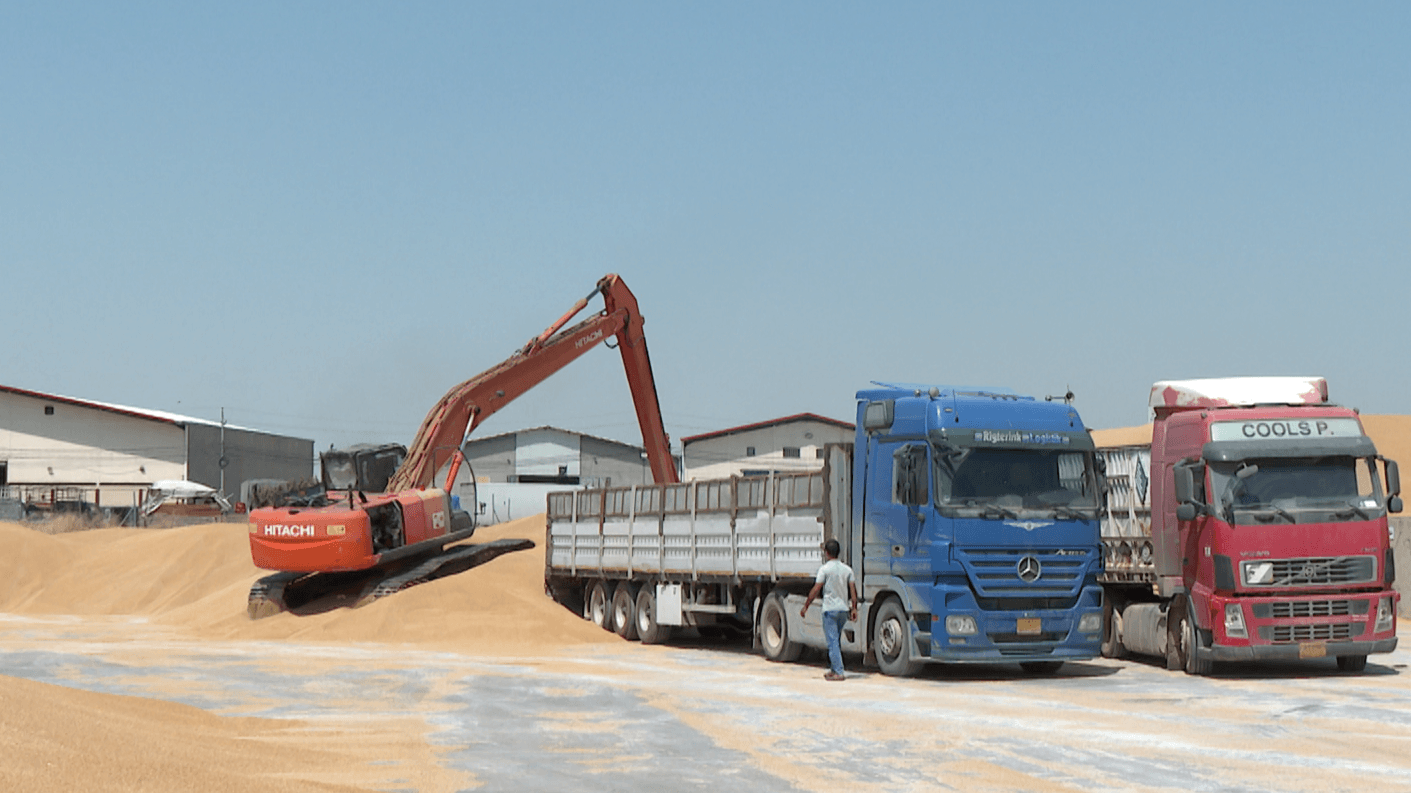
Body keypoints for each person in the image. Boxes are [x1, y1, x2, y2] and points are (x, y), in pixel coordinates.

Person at [801, 538, 859, 681]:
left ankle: (839, 672)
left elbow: (816, 589)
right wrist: (854, 608)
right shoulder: (847, 570)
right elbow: (853, 591)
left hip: (830, 610)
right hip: (843, 610)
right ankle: (833, 669)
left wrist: (806, 605)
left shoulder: (824, 569)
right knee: (835, 641)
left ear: (826, 553)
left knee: (832, 642)